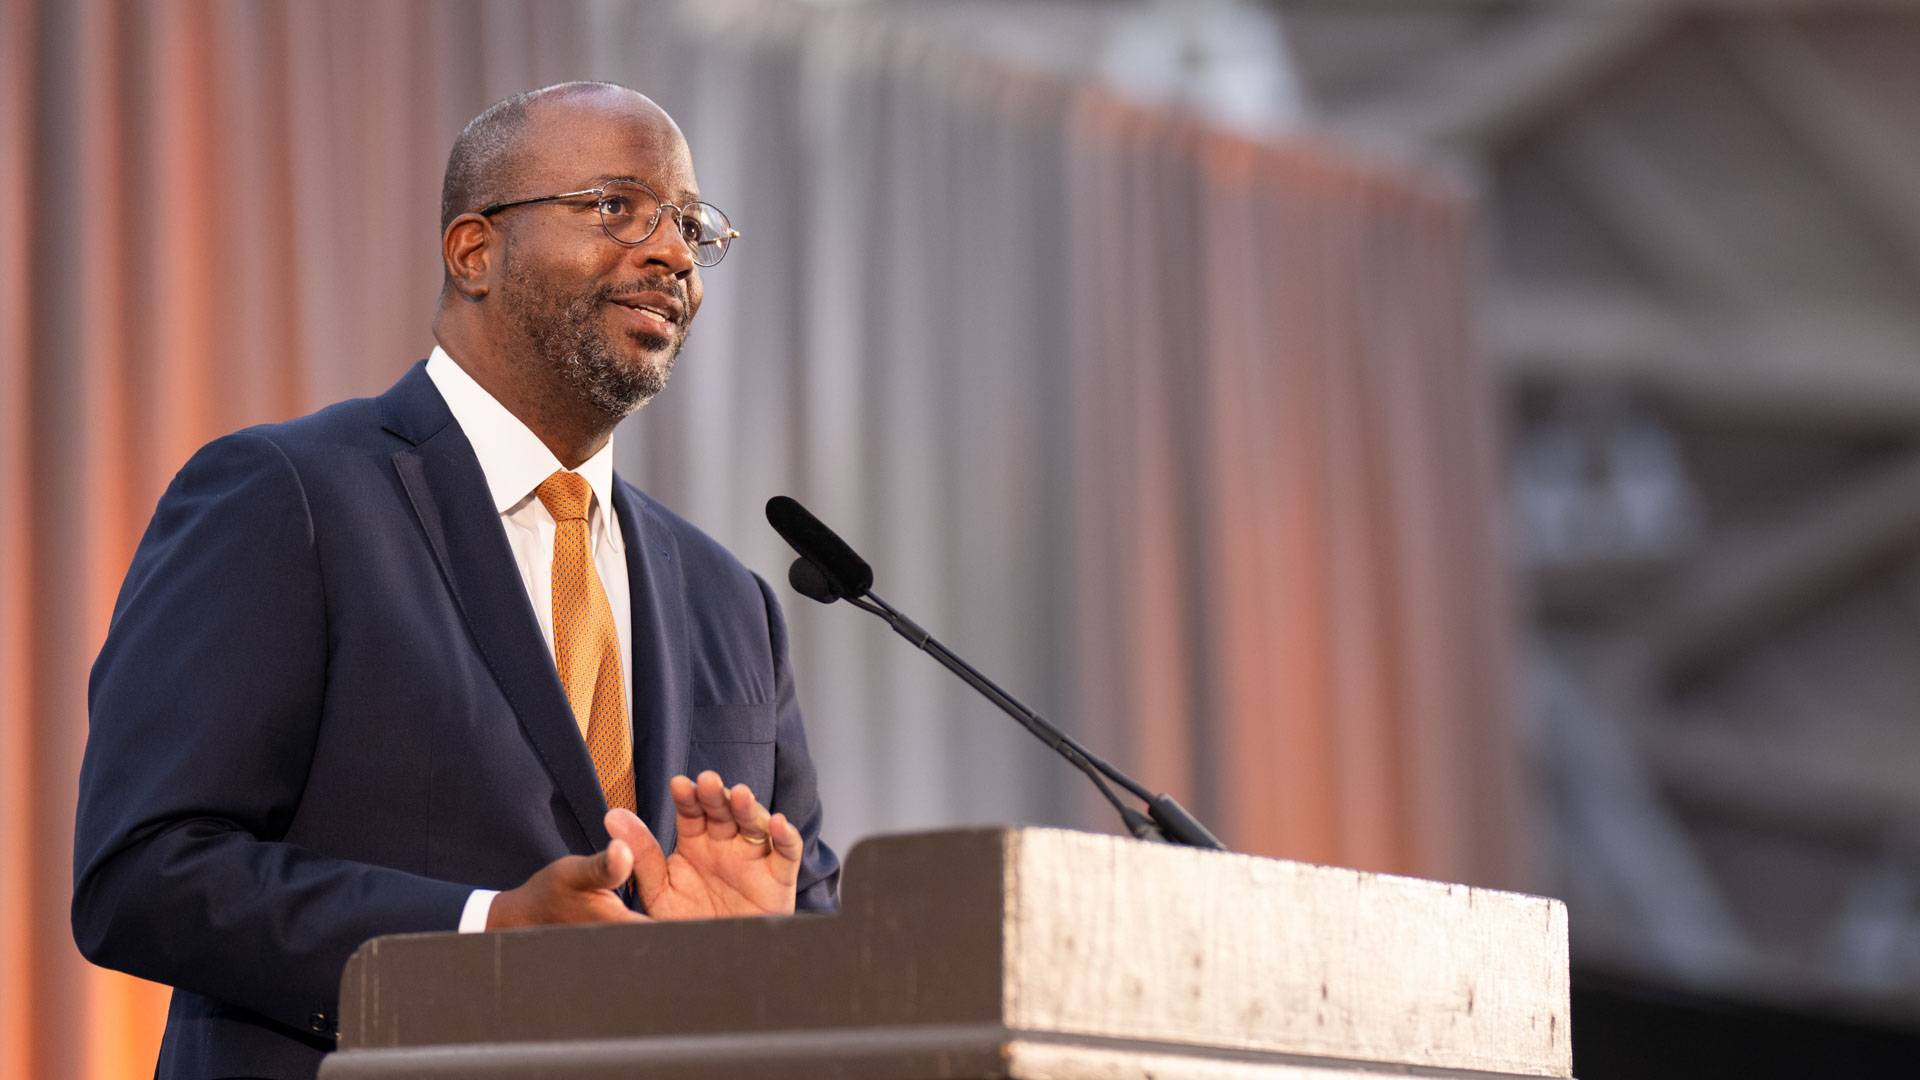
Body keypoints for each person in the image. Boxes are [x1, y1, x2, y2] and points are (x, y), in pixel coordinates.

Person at [72, 81, 839, 1080]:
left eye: (692, 226)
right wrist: (478, 935)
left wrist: (764, 951)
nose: (673, 255)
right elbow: (143, 875)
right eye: (618, 208)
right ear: (475, 251)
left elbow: (816, 919)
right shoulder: (286, 497)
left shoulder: (730, 599)